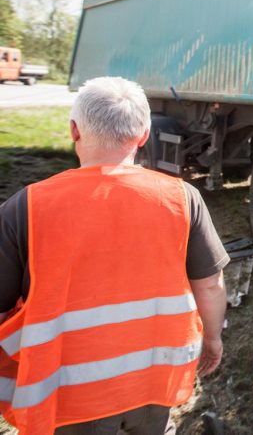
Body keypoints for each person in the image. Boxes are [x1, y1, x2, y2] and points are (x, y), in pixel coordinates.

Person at [0, 77, 230, 434]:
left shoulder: (25, 208)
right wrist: (212, 339)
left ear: (74, 130)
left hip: (67, 392)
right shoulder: (183, 199)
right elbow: (211, 285)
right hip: (154, 380)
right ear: (143, 135)